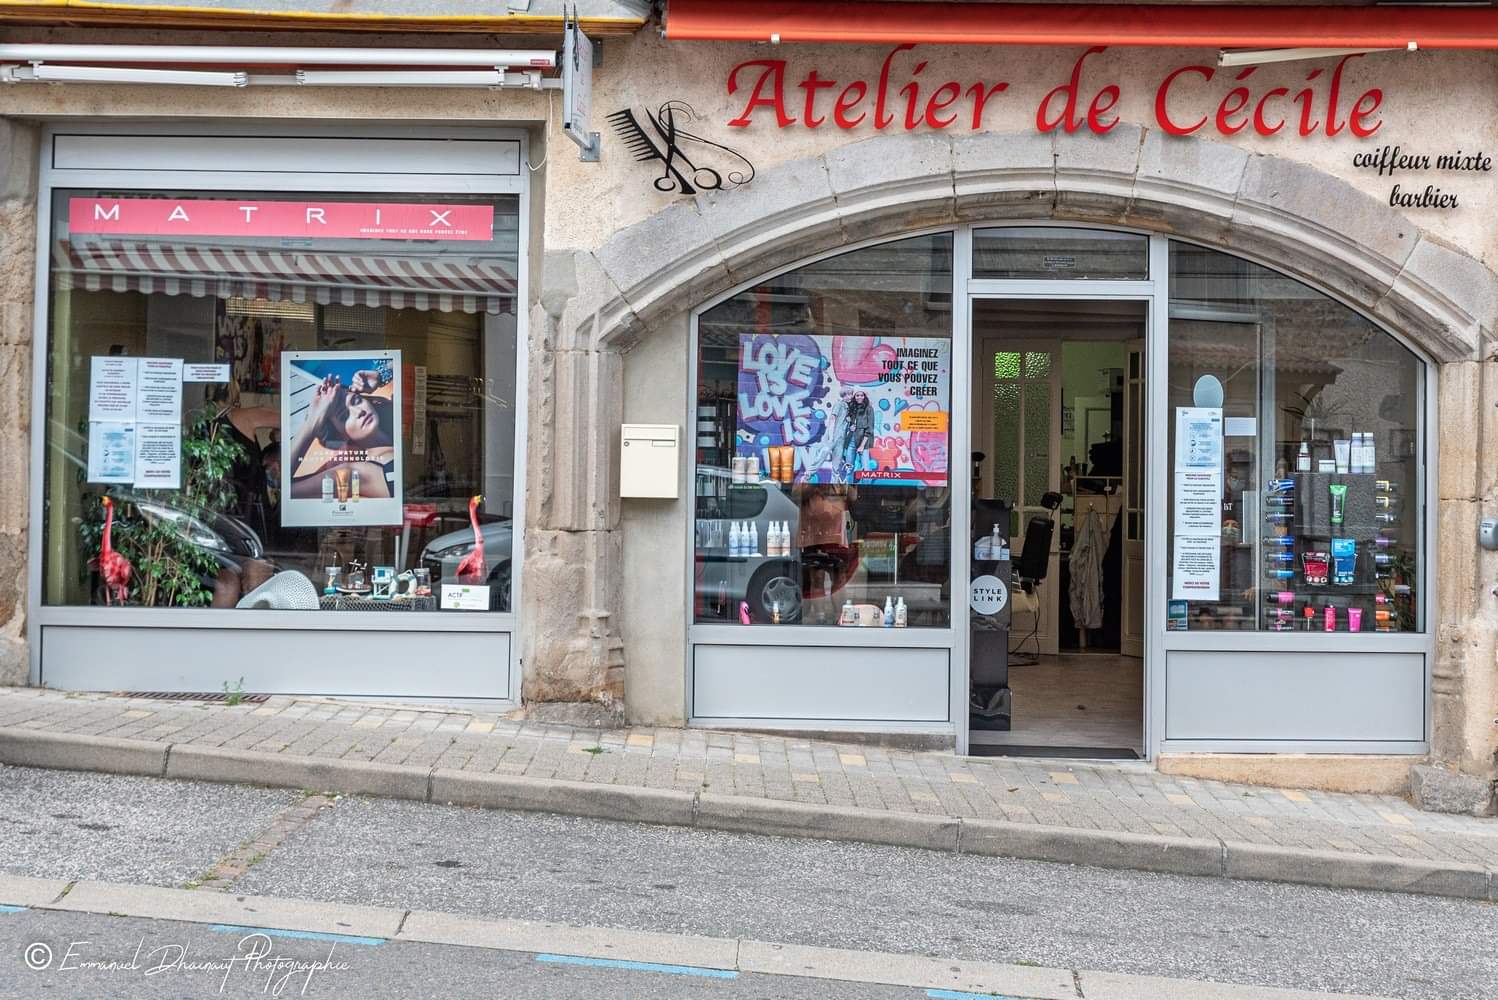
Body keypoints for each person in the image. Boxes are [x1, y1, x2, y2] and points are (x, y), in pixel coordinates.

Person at [288, 370, 398, 500]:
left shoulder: (401, 418)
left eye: (356, 401)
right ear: (340, 435)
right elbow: (284, 488)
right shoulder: (358, 473)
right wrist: (312, 423)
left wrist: (381, 377)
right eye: (344, 416)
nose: (359, 412)